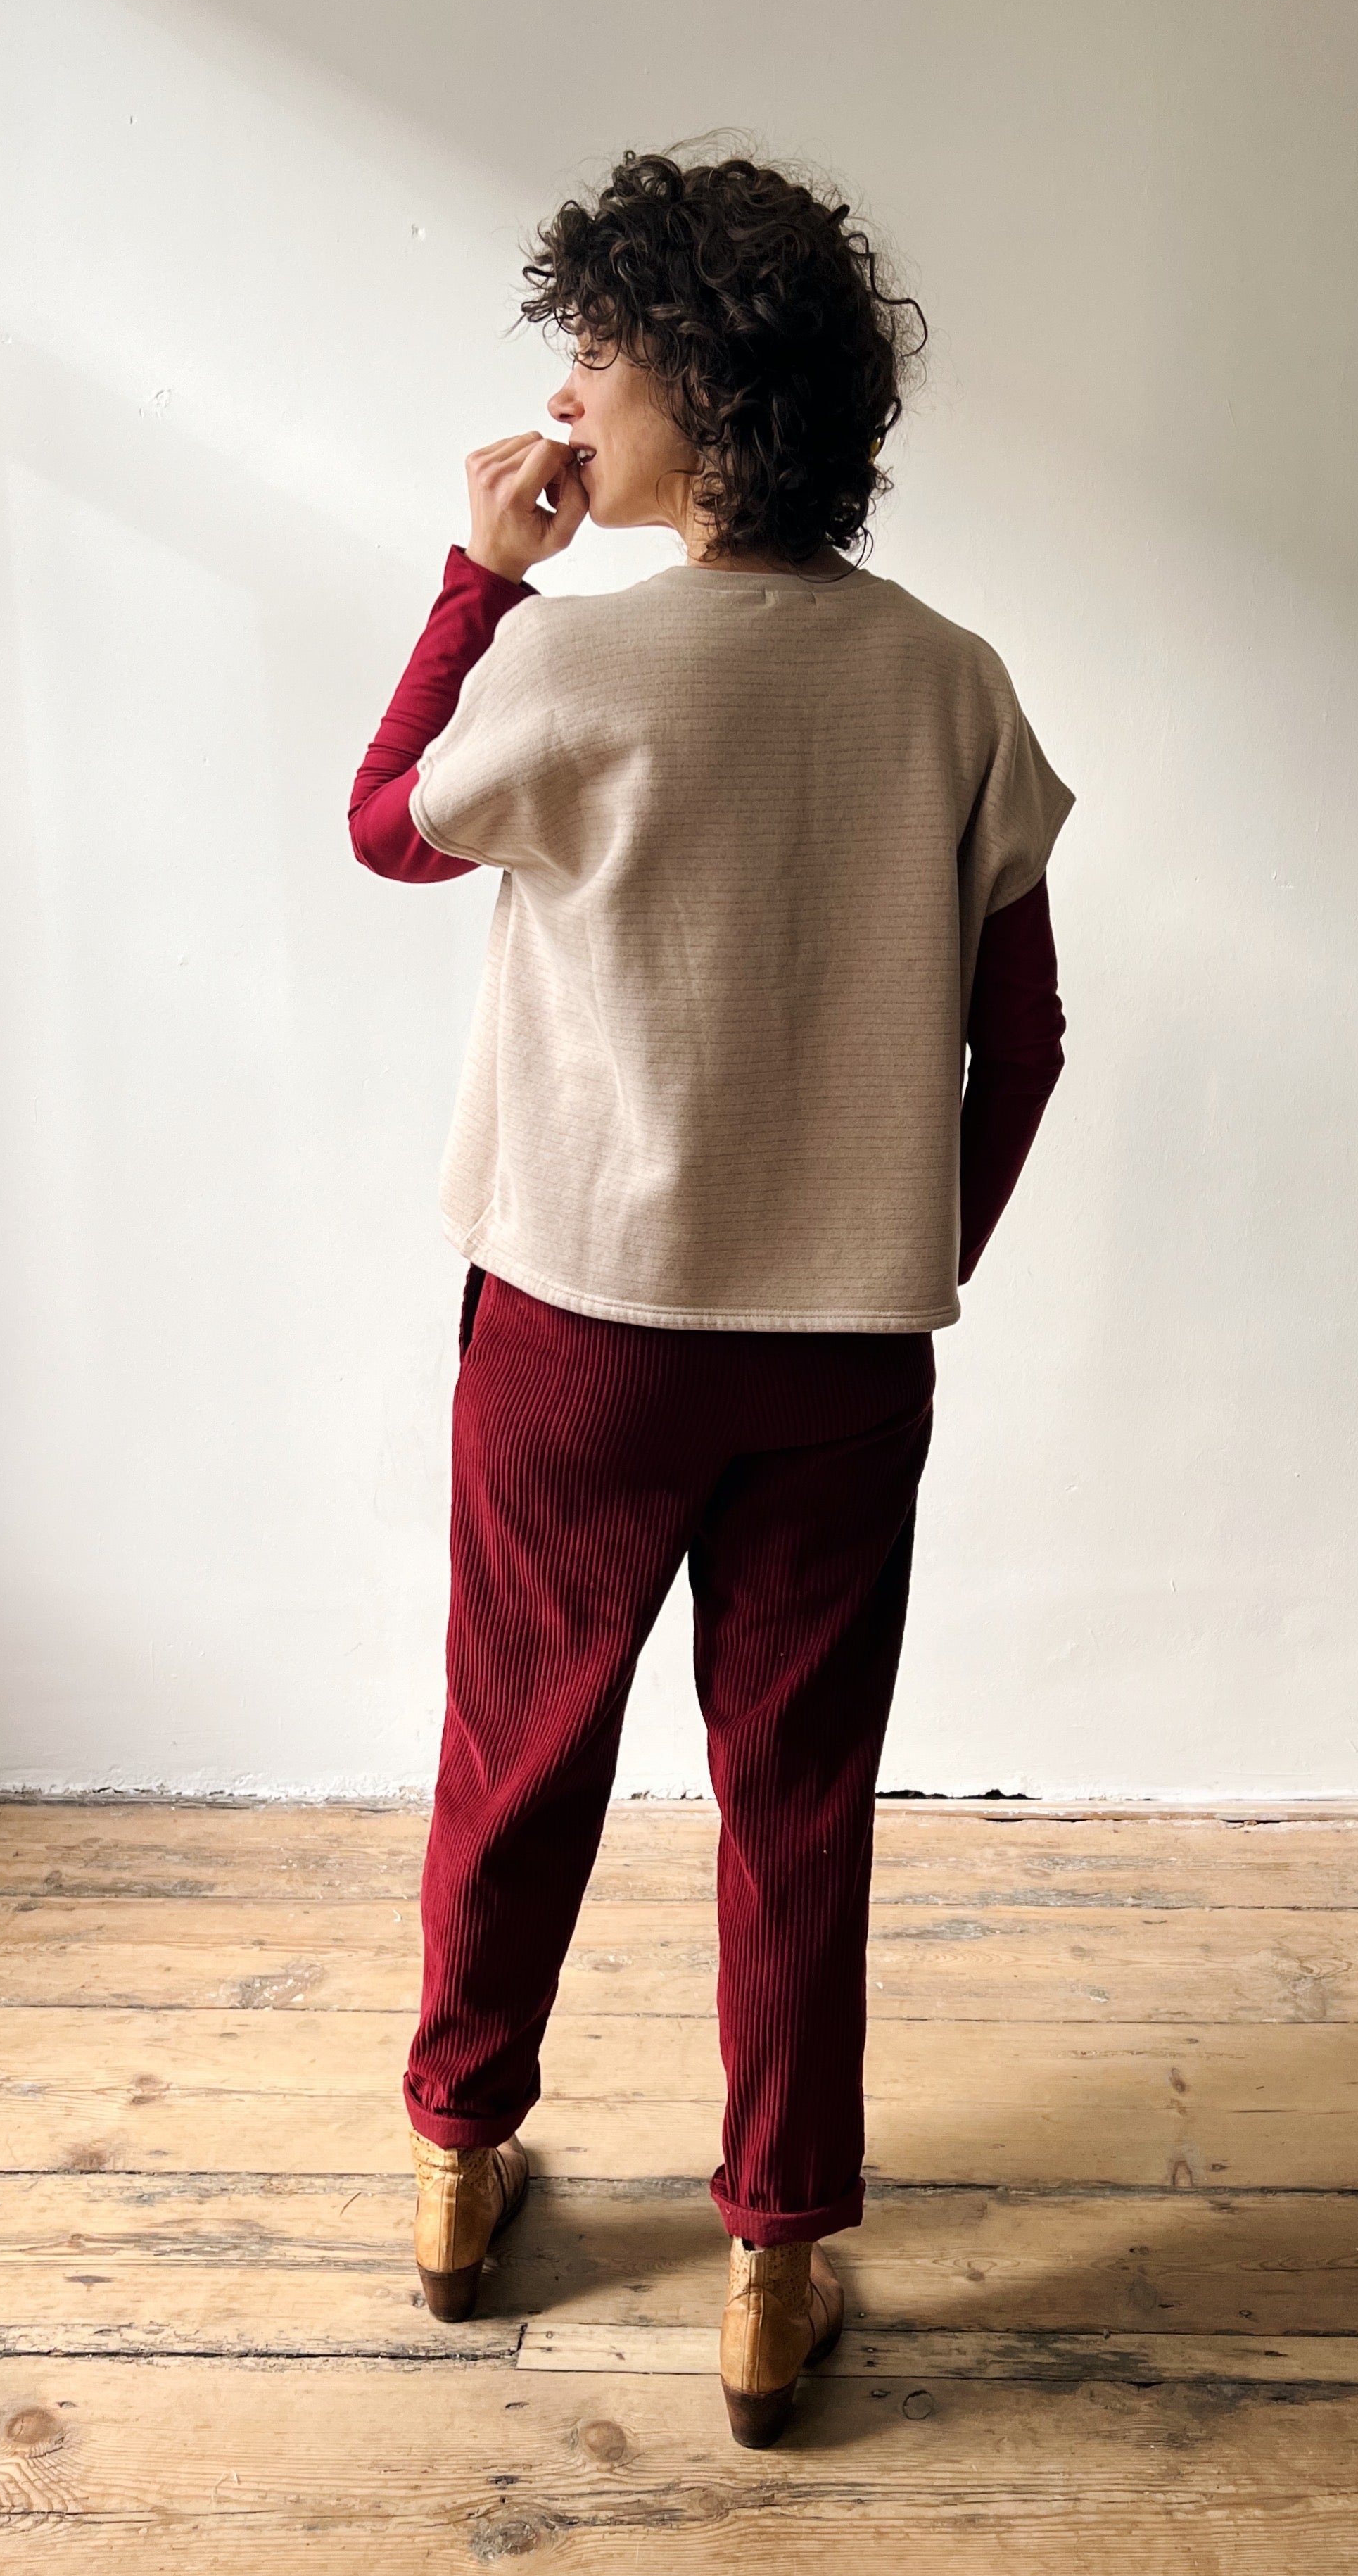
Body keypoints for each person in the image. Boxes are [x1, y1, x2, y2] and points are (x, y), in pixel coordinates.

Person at [347, 149, 1074, 2446]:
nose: (562, 391)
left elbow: (386, 819)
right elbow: (1027, 1036)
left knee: (518, 1747)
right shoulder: (949, 682)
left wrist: (480, 580)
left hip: (576, 1328)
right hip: (842, 1354)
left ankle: (461, 2163)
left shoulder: (567, 659)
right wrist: (903, 1252)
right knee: (801, 1795)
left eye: (597, 351)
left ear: (702, 390)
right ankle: (772, 2263)